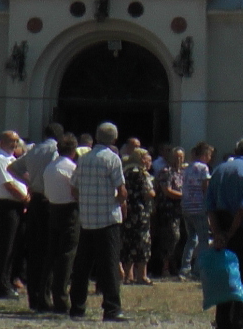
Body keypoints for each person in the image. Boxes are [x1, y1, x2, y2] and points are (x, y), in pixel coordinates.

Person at [70, 121, 127, 322]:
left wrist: (86, 200)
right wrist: (117, 202)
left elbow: (74, 188)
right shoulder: (112, 159)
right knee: (109, 265)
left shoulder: (84, 159)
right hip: (107, 219)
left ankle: (77, 307)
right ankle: (112, 308)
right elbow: (121, 190)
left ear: (96, 137)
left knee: (82, 266)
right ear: (114, 139)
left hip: (87, 219)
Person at [207, 139, 243, 329]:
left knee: (225, 277)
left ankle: (223, 321)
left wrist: (219, 234)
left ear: (235, 150)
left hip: (222, 225)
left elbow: (210, 207)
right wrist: (231, 232)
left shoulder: (218, 170)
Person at [23, 132, 80, 312]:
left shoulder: (49, 168)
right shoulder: (71, 168)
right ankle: (61, 298)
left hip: (53, 208)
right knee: (66, 255)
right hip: (69, 210)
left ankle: (44, 296)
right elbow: (76, 191)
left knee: (50, 255)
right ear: (73, 150)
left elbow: (47, 192)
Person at [0, 131, 30, 297]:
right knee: (5, 247)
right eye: (12, 141)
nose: (15, 144)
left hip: (18, 206)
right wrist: (25, 198)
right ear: (2, 141)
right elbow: (8, 184)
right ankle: (1, 286)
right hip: (6, 206)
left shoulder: (13, 160)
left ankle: (8, 281)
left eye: (17, 141)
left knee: (14, 247)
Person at [121, 146, 155, 284]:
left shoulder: (126, 172)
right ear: (141, 159)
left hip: (128, 211)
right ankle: (142, 275)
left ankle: (128, 275)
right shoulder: (141, 173)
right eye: (148, 159)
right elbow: (149, 193)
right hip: (140, 213)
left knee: (129, 242)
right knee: (142, 242)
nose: (150, 162)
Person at [180, 142, 213, 280]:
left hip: (186, 207)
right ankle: (198, 269)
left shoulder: (187, 168)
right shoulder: (203, 168)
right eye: (210, 155)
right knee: (203, 239)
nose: (210, 158)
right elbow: (206, 188)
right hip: (199, 207)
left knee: (191, 239)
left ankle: (185, 268)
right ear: (205, 155)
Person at [151, 146, 185, 280]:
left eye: (181, 157)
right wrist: (185, 196)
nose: (179, 160)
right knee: (170, 238)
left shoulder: (182, 172)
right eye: (176, 157)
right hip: (167, 211)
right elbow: (167, 191)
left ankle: (175, 266)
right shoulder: (166, 172)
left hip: (181, 210)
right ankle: (164, 268)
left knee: (180, 239)